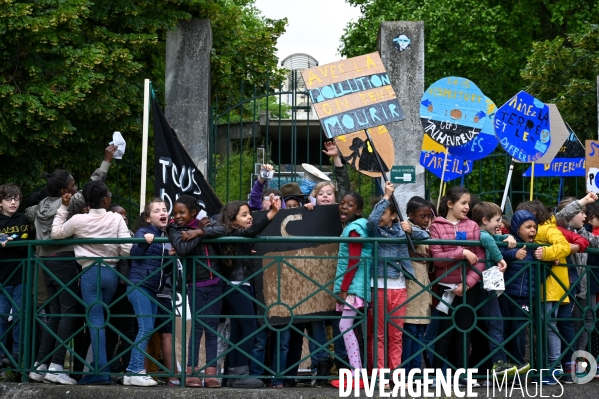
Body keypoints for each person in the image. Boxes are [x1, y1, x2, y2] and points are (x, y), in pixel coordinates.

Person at [27, 145, 117, 385]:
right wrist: (106, 159)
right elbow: (93, 185)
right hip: (64, 260)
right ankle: (57, 366)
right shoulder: (71, 203)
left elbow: (27, 211)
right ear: (63, 190)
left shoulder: (39, 207)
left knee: (54, 314)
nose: (76, 187)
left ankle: (40, 365)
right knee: (70, 313)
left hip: (43, 262)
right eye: (72, 184)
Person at [51, 180, 132, 385]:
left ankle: (101, 372)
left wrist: (63, 207)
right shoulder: (115, 218)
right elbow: (127, 249)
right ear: (106, 199)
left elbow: (56, 233)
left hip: (89, 274)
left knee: (95, 321)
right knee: (102, 320)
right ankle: (98, 368)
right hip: (112, 274)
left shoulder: (78, 220)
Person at [366, 182, 429, 374]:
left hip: (400, 288)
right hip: (379, 286)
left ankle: (395, 374)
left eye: (385, 212)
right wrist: (385, 197)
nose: (380, 216)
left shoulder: (401, 229)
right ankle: (380, 374)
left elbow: (425, 235)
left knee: (396, 335)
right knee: (380, 334)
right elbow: (371, 221)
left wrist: (410, 229)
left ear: (394, 216)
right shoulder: (375, 231)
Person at [218, 194, 279, 389]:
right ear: (233, 219)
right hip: (238, 286)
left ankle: (231, 374)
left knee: (237, 331)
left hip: (238, 286)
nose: (249, 217)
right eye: (244, 215)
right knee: (250, 329)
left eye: (249, 214)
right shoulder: (236, 233)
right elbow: (253, 230)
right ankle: (240, 374)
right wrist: (273, 212)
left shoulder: (236, 236)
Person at [167, 195, 227, 388]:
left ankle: (211, 373)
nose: (177, 216)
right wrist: (197, 232)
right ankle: (191, 370)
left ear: (193, 212)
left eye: (181, 212)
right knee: (197, 328)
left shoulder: (206, 224)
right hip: (195, 284)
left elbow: (223, 229)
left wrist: (200, 231)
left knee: (211, 328)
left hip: (216, 282)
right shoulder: (174, 228)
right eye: (175, 212)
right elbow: (182, 248)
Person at [429, 186, 485, 386]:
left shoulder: (472, 226)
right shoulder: (436, 226)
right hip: (445, 286)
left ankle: (463, 375)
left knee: (464, 330)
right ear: (450, 204)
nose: (467, 207)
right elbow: (438, 259)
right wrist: (461, 252)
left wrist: (468, 283)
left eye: (468, 203)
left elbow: (480, 258)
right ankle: (436, 375)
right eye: (463, 203)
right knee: (444, 331)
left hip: (468, 286)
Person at [515, 200, 572, 385]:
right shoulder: (539, 230)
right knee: (543, 327)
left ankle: (554, 367)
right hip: (541, 287)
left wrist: (546, 253)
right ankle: (546, 367)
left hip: (551, 288)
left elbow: (564, 246)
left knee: (549, 326)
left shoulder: (548, 229)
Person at [124, 198, 169, 387]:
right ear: (148, 218)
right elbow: (135, 253)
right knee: (146, 327)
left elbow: (157, 259)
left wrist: (169, 256)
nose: (162, 212)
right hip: (139, 285)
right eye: (157, 210)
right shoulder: (145, 232)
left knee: (148, 328)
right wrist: (144, 242)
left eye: (165, 209)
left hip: (150, 287)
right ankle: (135, 370)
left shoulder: (160, 235)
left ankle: (132, 371)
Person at [471, 202, 519, 375]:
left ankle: (495, 364)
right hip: (483, 283)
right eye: (497, 220)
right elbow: (486, 239)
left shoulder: (483, 232)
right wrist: (500, 258)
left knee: (490, 325)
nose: (500, 223)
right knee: (495, 323)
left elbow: (492, 238)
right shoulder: (480, 234)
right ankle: (499, 363)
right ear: (485, 220)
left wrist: (506, 238)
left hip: (485, 282)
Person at [330, 192, 371, 390]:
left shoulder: (354, 229)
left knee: (345, 327)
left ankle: (357, 374)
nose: (344, 206)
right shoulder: (354, 227)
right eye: (343, 203)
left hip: (353, 287)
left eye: (350, 204)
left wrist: (343, 289)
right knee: (351, 328)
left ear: (359, 211)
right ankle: (358, 373)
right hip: (356, 285)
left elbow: (353, 261)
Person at [499, 210, 538, 376]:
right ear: (516, 228)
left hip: (525, 297)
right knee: (504, 328)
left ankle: (519, 363)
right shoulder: (509, 242)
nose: (533, 230)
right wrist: (513, 254)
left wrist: (550, 260)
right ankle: (505, 365)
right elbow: (499, 255)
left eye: (535, 227)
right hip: (507, 294)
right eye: (528, 226)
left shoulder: (536, 248)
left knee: (519, 330)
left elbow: (542, 271)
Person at [401, 196, 433, 373]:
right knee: (410, 330)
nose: (427, 220)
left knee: (420, 331)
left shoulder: (421, 231)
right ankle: (406, 370)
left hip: (423, 285)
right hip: (411, 285)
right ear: (411, 216)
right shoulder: (405, 229)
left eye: (428, 216)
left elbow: (427, 238)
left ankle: (416, 370)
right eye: (423, 216)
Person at [104, 204, 137, 374]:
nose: (124, 218)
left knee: (126, 328)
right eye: (119, 215)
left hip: (125, 286)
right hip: (109, 286)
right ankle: (107, 368)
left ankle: (128, 369)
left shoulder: (131, 235)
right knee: (109, 329)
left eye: (125, 215)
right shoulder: (104, 234)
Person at [0, 184, 29, 369]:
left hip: (21, 275)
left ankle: (18, 354)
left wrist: (12, 240)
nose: (13, 202)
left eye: (16, 198)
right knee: (1, 316)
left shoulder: (24, 219)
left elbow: (26, 240)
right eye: (9, 198)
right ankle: (1, 352)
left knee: (20, 316)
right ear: (0, 202)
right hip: (2, 277)